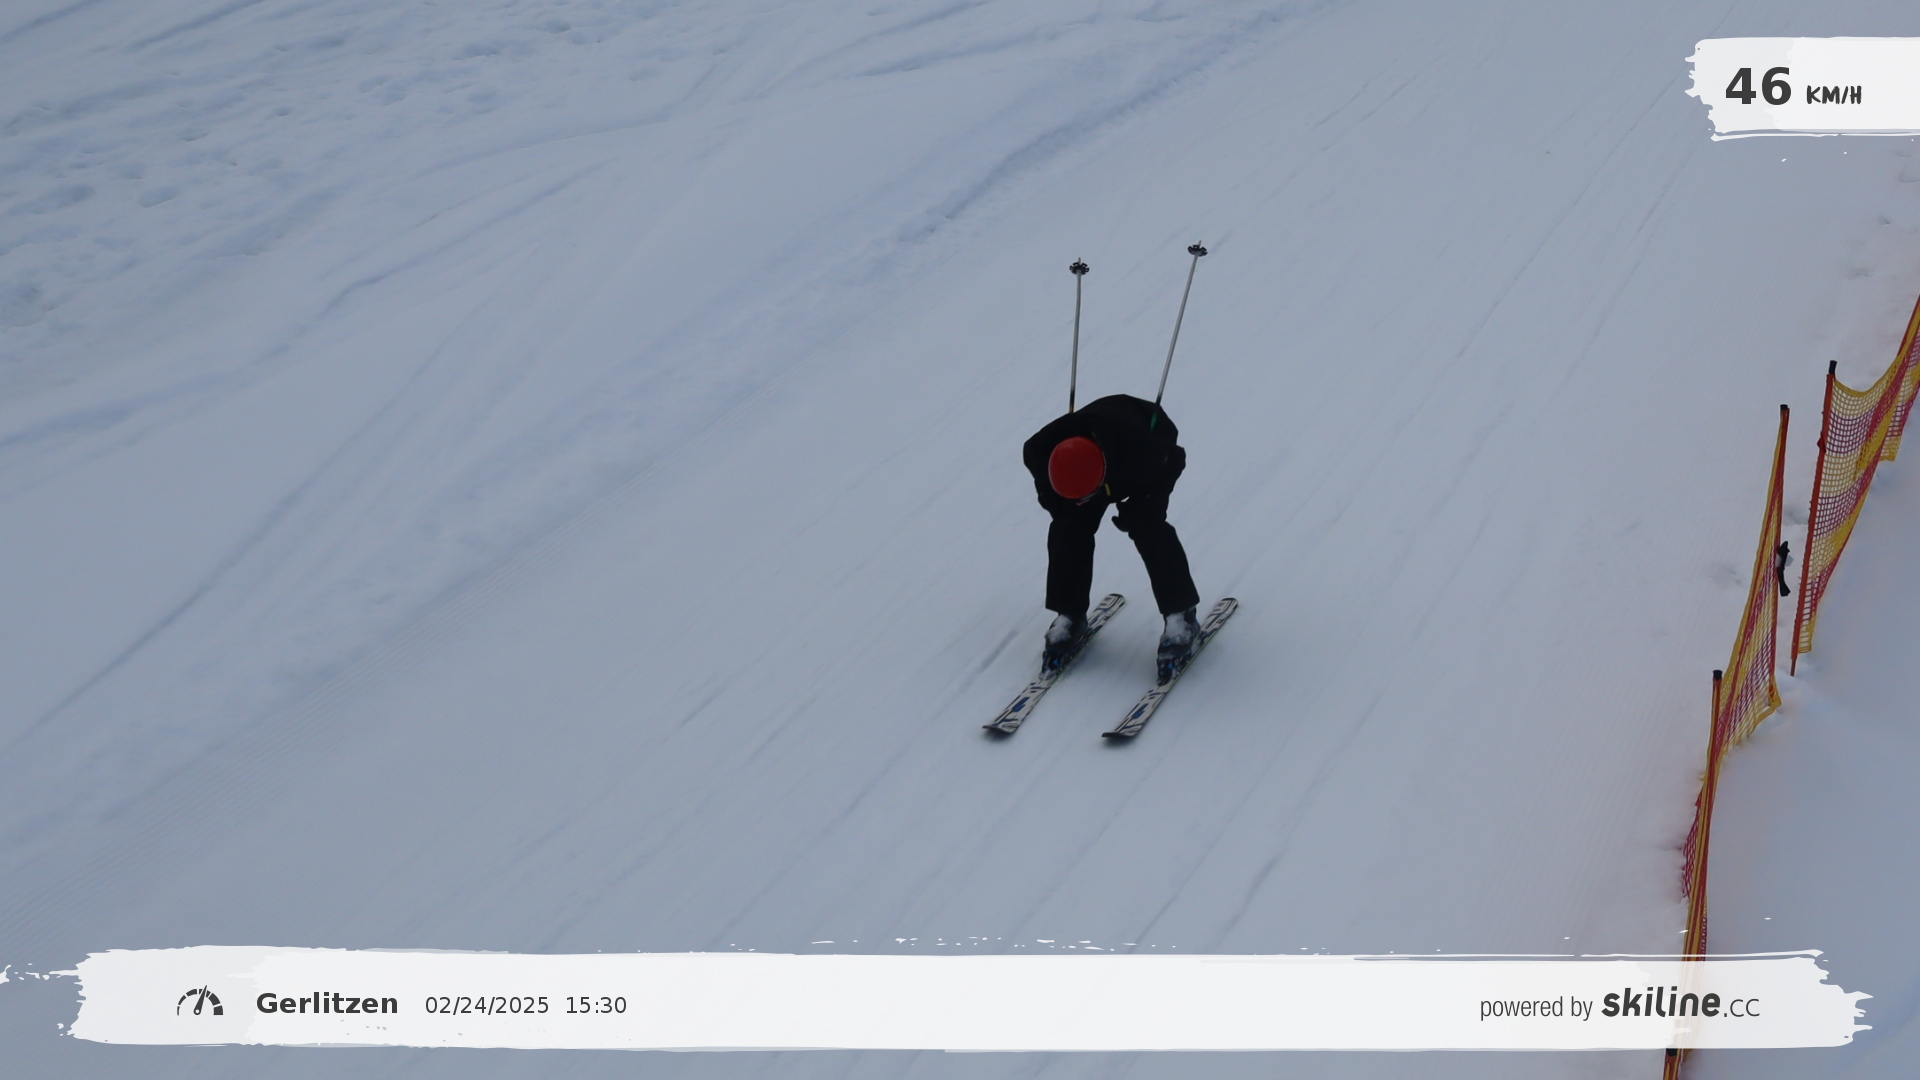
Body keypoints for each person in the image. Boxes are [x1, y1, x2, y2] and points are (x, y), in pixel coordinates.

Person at [1023, 393, 1200, 680]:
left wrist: (1147, 503)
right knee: (1068, 527)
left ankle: (1182, 617)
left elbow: (1174, 460)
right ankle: (1070, 615)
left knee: (1148, 527)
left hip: (1140, 439)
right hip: (1091, 456)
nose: (1083, 503)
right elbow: (1047, 488)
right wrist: (1061, 505)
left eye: (1087, 496)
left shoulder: (1143, 454)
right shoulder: (1041, 450)